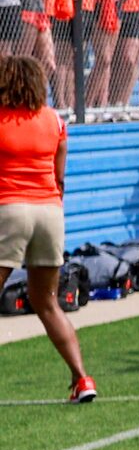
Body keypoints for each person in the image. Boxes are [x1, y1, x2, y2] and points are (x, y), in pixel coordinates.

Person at [0, 55, 94, 401]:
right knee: (47, 301)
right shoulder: (54, 120)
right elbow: (59, 176)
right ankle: (82, 379)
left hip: (9, 209)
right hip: (50, 213)